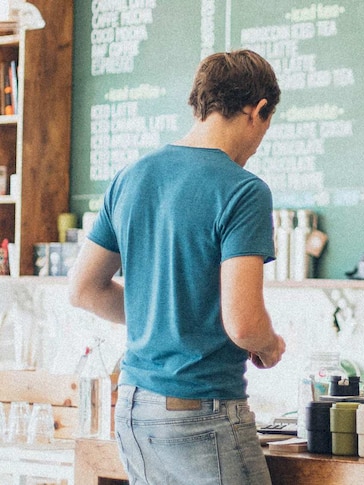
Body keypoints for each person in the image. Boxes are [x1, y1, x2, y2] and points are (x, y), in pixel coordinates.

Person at [68, 49, 286, 484]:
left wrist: (164, 315)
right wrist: (271, 345)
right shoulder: (243, 191)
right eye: (266, 123)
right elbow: (243, 324)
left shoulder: (132, 177)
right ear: (258, 110)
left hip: (132, 407)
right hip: (201, 411)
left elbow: (84, 290)